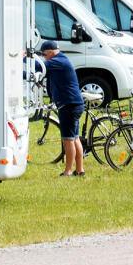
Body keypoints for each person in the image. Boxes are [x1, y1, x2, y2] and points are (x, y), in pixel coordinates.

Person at [41, 40, 86, 177]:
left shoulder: (57, 61)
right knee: (75, 138)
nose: (44, 57)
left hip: (69, 105)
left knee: (68, 139)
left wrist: (24, 57)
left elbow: (39, 66)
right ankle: (80, 170)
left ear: (50, 52)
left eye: (44, 54)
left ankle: (68, 171)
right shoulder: (62, 60)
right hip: (74, 104)